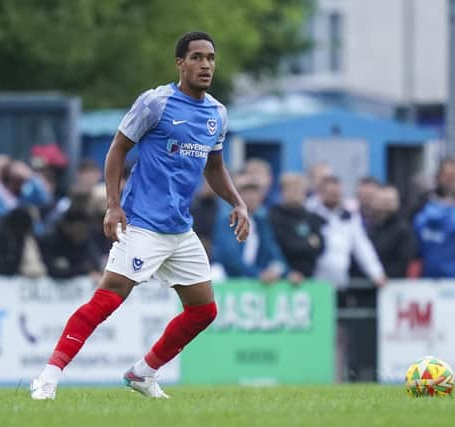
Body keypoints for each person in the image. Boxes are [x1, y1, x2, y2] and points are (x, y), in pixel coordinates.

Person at [30, 31, 249, 400]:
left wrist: (238, 202)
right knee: (108, 299)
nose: (206, 64)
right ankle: (48, 376)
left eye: (210, 57)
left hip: (180, 228)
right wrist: (113, 204)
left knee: (203, 310)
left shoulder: (217, 113)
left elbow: (214, 168)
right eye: (197, 57)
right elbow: (117, 150)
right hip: (142, 223)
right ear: (180, 63)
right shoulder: (156, 103)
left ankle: (142, 373)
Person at [213, 174, 294, 284]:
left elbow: (273, 252)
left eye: (255, 192)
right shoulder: (226, 220)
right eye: (246, 192)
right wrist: (257, 274)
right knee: (216, 273)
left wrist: (285, 272)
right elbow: (230, 258)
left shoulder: (261, 223)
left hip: (256, 278)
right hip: (229, 276)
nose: (251, 197)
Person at [269, 173, 325, 279]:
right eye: (291, 189)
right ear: (282, 192)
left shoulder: (313, 218)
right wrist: (308, 243)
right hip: (280, 277)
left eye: (299, 189)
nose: (295, 193)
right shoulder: (274, 216)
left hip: (309, 277)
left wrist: (297, 243)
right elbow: (285, 245)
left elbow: (321, 247)